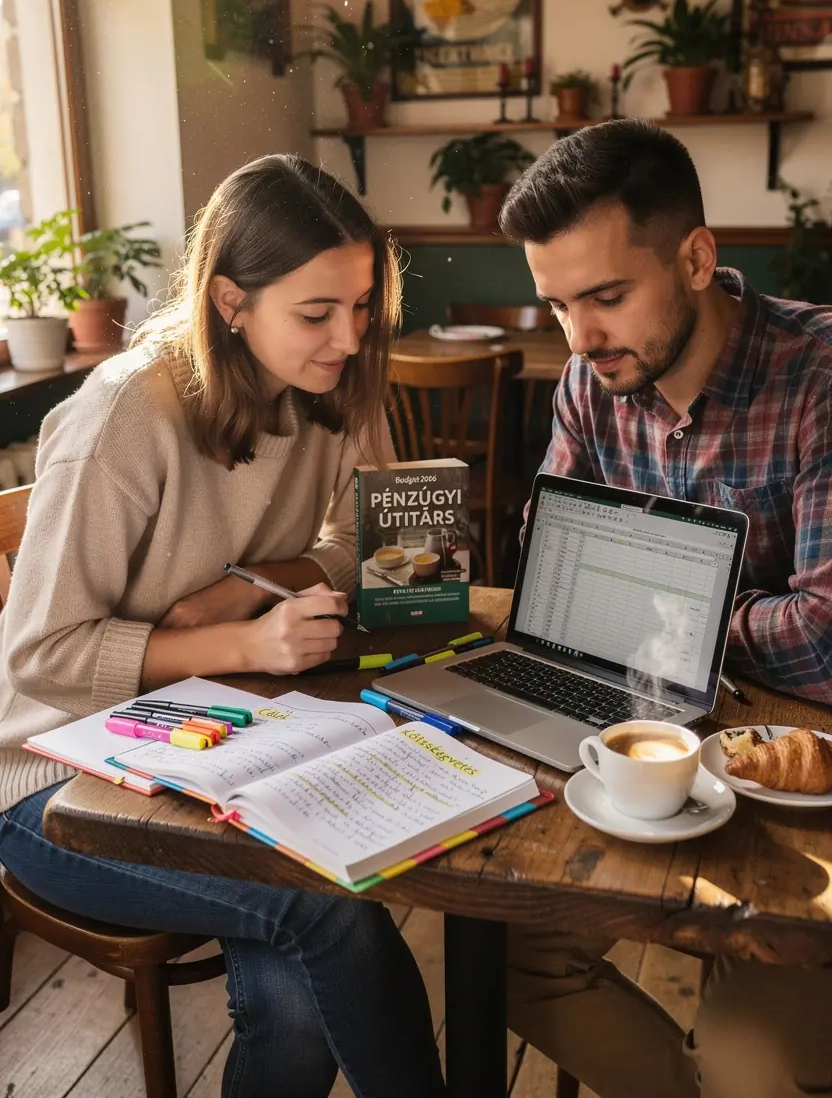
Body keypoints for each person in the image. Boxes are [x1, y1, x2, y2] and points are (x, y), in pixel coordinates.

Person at [0, 155, 447, 1098]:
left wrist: (263, 581)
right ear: (231, 301)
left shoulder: (335, 380)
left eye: (363, 305)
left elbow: (380, 539)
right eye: (317, 313)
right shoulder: (125, 412)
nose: (349, 337)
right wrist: (240, 645)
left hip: (219, 737)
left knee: (293, 984)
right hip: (49, 783)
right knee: (332, 915)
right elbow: (37, 656)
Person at [497, 118, 832, 1098]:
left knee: (748, 1062)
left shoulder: (816, 376)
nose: (579, 336)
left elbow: (821, 645)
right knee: (502, 963)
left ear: (694, 257)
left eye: (604, 297)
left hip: (796, 791)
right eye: (556, 305)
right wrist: (726, 609)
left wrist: (653, 606)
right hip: (648, 747)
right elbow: (548, 573)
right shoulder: (588, 383)